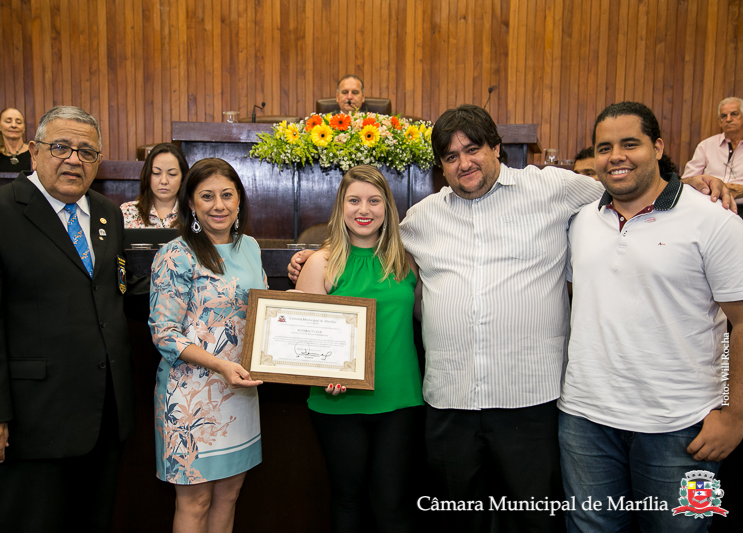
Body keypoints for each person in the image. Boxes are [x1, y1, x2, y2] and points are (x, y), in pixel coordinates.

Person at [289, 105, 734, 531]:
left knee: (534, 520)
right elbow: (376, 249)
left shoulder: (554, 188)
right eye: (451, 156)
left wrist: (695, 181)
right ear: (440, 167)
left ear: (497, 148)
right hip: (450, 404)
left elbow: (627, 184)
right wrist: (315, 258)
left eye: (473, 149)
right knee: (463, 522)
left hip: (530, 403)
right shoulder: (422, 219)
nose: (464, 163)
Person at [0, 105, 141, 531]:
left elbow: (114, 292)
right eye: (61, 147)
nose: (74, 159)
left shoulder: (107, 213)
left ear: (99, 161)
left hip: (103, 417)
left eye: (87, 151)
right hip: (31, 423)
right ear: (34, 152)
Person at [559, 101, 743, 532]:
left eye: (630, 144)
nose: (615, 156)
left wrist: (734, 414)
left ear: (658, 146)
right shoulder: (582, 221)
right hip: (585, 422)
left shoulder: (715, 221)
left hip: (682, 426)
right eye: (604, 147)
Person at [295, 165, 423, 532]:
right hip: (338, 401)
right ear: (341, 206)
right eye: (354, 200)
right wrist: (323, 374)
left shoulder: (405, 260)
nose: (363, 209)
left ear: (387, 208)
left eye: (373, 200)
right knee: (348, 501)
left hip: (400, 399)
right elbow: (305, 340)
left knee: (393, 505)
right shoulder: (320, 262)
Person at [149, 158, 265, 533]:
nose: (219, 205)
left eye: (227, 195)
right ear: (192, 205)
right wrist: (220, 365)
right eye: (207, 196)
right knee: (195, 501)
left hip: (239, 392)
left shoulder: (250, 247)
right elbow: (164, 333)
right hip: (191, 397)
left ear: (239, 201)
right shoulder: (176, 254)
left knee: (229, 495)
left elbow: (261, 311)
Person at [683, 97, 743, 194]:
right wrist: (711, 187)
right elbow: (687, 180)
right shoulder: (706, 145)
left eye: (734, 114)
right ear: (719, 122)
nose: (728, 119)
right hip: (711, 202)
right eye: (723, 116)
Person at [121, 142, 188, 228]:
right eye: (156, 173)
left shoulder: (193, 214)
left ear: (183, 178)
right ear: (148, 175)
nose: (164, 181)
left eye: (172, 174)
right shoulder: (127, 211)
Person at [0, 107, 32, 173]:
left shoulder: (34, 152)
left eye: (18, 122)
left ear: (24, 128)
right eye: (8, 122)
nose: (14, 125)